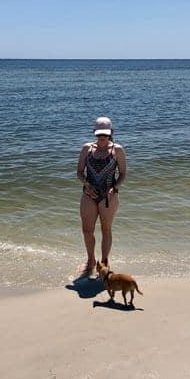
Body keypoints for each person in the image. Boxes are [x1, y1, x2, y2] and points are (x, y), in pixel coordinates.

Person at [76, 116, 127, 276]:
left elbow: (123, 174)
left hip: (108, 197)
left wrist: (114, 188)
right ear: (95, 133)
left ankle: (104, 261)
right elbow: (79, 172)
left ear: (111, 132)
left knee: (106, 229)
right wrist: (87, 185)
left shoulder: (117, 150)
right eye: (99, 134)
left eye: (105, 134)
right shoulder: (87, 148)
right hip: (88, 195)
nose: (102, 137)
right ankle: (91, 260)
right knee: (87, 231)